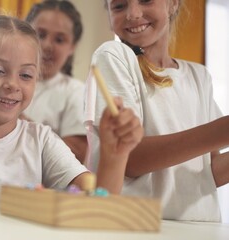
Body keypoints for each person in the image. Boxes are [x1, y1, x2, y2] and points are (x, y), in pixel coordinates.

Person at [0, 14, 143, 210]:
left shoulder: (42, 141)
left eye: (25, 75)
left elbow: (97, 210)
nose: (13, 84)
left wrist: (115, 155)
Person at [85, 0, 229, 222]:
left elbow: (208, 173)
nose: (133, 13)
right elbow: (129, 158)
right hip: (137, 228)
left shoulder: (199, 77)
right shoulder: (113, 56)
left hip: (201, 231)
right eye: (119, 6)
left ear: (173, 4)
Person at [23, 0, 87, 163]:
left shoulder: (76, 92)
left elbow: (77, 155)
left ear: (72, 47)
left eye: (59, 40)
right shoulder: (2, 81)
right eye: (40, 34)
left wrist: (17, 121)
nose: (46, 45)